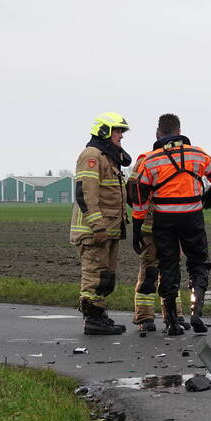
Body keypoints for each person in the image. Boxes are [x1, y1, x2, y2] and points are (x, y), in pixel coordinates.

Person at [127, 114, 211, 335]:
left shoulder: (150, 160)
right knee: (198, 263)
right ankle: (196, 314)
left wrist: (136, 226)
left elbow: (138, 197)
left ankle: (171, 321)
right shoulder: (197, 154)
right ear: (180, 132)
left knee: (168, 267)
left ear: (158, 134)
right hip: (192, 217)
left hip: (163, 220)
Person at [69, 112, 133, 335]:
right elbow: (86, 193)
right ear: (104, 131)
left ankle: (100, 315)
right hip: (95, 230)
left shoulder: (108, 157)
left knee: (106, 277)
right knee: (94, 276)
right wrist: (97, 226)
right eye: (117, 131)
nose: (121, 136)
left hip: (109, 230)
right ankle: (92, 320)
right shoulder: (92, 155)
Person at [127, 153, 189, 335]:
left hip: (173, 227)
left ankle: (174, 315)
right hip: (153, 227)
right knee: (150, 272)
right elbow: (132, 191)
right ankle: (144, 317)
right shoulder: (146, 161)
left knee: (172, 273)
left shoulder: (183, 158)